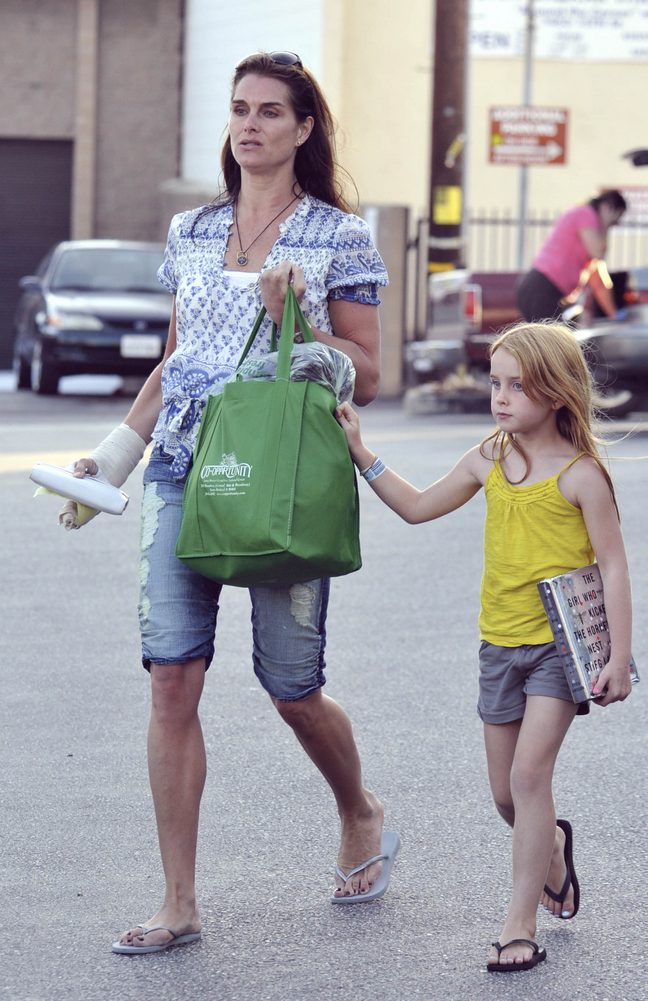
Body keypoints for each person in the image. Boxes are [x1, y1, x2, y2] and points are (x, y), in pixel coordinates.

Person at [65, 50, 400, 954]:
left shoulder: (339, 237)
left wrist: (308, 321)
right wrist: (113, 460)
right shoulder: (191, 230)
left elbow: (371, 374)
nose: (249, 123)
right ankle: (179, 899)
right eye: (239, 108)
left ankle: (359, 808)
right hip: (184, 468)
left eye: (269, 111)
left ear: (302, 129)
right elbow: (178, 360)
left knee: (292, 687)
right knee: (171, 676)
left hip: (285, 472)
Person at [337, 320, 633, 973]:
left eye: (515, 386)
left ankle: (518, 924)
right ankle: (552, 845)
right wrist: (364, 456)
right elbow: (416, 507)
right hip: (498, 645)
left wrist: (619, 655)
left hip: (557, 648)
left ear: (554, 392)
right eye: (495, 383)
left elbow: (613, 565)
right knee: (506, 793)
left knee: (531, 776)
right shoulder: (491, 456)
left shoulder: (583, 476)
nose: (499, 397)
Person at [516, 190, 627, 323]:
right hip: (543, 287)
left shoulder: (587, 243)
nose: (614, 224)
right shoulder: (585, 214)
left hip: (547, 290)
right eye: (615, 219)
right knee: (551, 341)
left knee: (552, 338)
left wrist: (613, 316)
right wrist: (606, 225)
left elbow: (600, 284)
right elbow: (598, 252)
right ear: (606, 207)